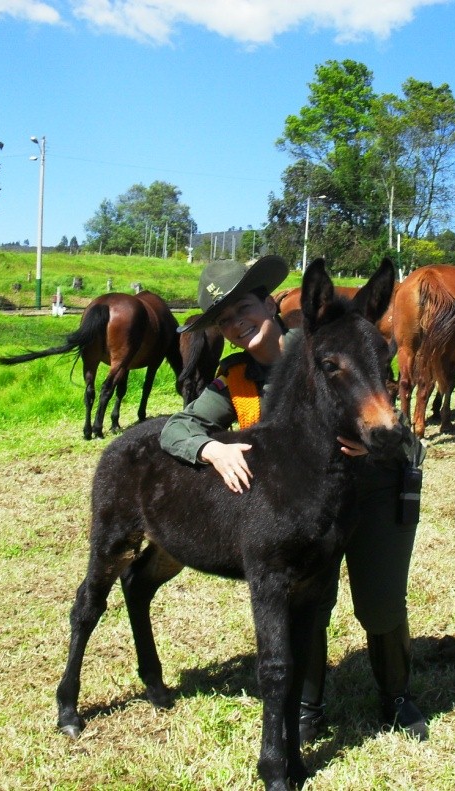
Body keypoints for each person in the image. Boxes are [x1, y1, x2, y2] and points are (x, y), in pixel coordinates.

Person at [159, 255, 428, 741]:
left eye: (244, 308)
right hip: (304, 507)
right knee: (307, 600)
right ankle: (307, 708)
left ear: (270, 303)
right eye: (225, 320)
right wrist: (209, 449)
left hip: (371, 488)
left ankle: (396, 695)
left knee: (381, 601)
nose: (237, 324)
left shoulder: (335, 341)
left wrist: (384, 444)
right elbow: (178, 426)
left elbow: (393, 419)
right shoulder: (236, 379)